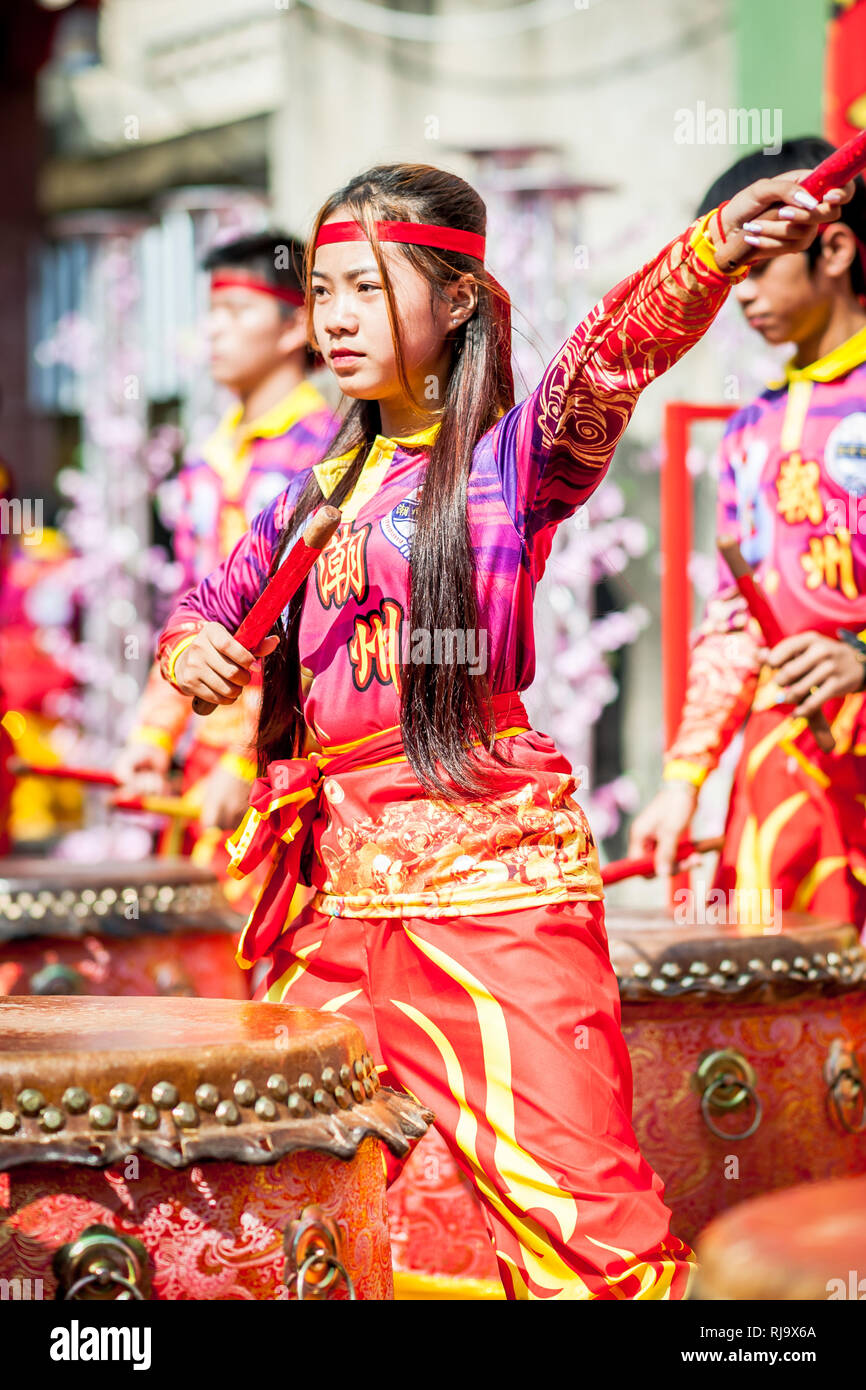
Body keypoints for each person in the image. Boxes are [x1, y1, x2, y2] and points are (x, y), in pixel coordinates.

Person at [157, 161, 846, 1299]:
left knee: (584, 1220)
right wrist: (198, 655)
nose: (334, 320)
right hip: (334, 904)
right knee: (346, 1216)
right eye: (323, 293)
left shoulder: (509, 462)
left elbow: (611, 350)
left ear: (460, 300)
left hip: (489, 893)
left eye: (367, 291)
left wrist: (716, 240)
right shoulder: (312, 487)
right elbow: (201, 607)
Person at [630, 138, 866, 932]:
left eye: (759, 265)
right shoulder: (748, 432)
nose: (741, 295)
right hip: (786, 772)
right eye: (734, 273)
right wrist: (683, 782)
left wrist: (858, 659)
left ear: (834, 247)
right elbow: (734, 618)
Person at [115, 231, 337, 910]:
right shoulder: (205, 462)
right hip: (206, 762)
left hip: (293, 761)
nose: (212, 329)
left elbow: (321, 634)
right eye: (210, 311)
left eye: (236, 311)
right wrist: (154, 735)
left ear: (295, 324)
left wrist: (256, 761)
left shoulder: (328, 454)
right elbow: (190, 606)